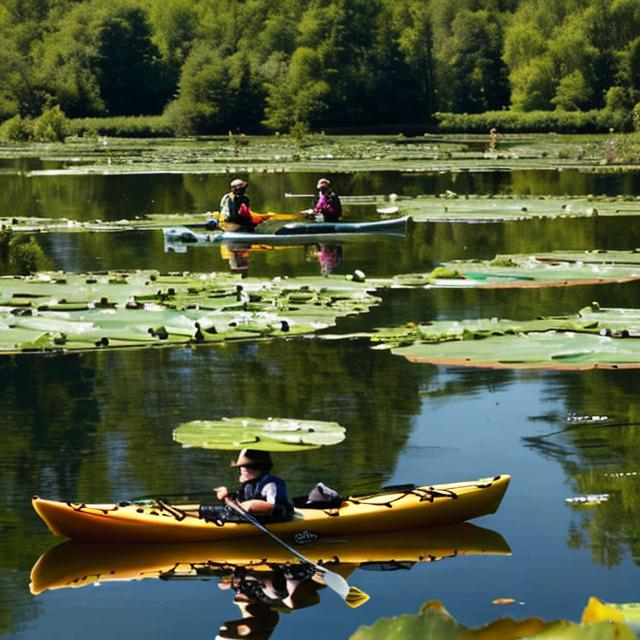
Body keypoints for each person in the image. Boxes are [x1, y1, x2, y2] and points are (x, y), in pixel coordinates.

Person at [199, 449, 293, 524]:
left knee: (221, 514)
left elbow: (278, 510)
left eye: (242, 468)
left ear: (252, 468)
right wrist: (226, 496)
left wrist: (260, 507)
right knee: (209, 510)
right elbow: (241, 501)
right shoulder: (249, 484)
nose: (240, 471)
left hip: (271, 520)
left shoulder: (272, 484)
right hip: (250, 516)